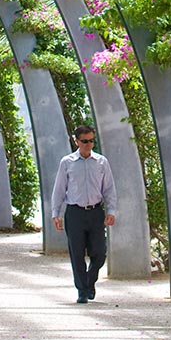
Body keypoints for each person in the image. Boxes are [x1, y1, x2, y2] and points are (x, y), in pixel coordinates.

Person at [51, 124, 117, 304]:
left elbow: (109, 188)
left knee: (99, 252)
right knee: (77, 253)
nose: (88, 144)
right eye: (84, 141)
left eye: (91, 141)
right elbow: (59, 189)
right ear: (76, 141)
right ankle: (82, 290)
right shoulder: (67, 162)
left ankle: (89, 280)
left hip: (95, 212)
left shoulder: (101, 162)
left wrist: (111, 211)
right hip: (75, 213)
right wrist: (56, 213)